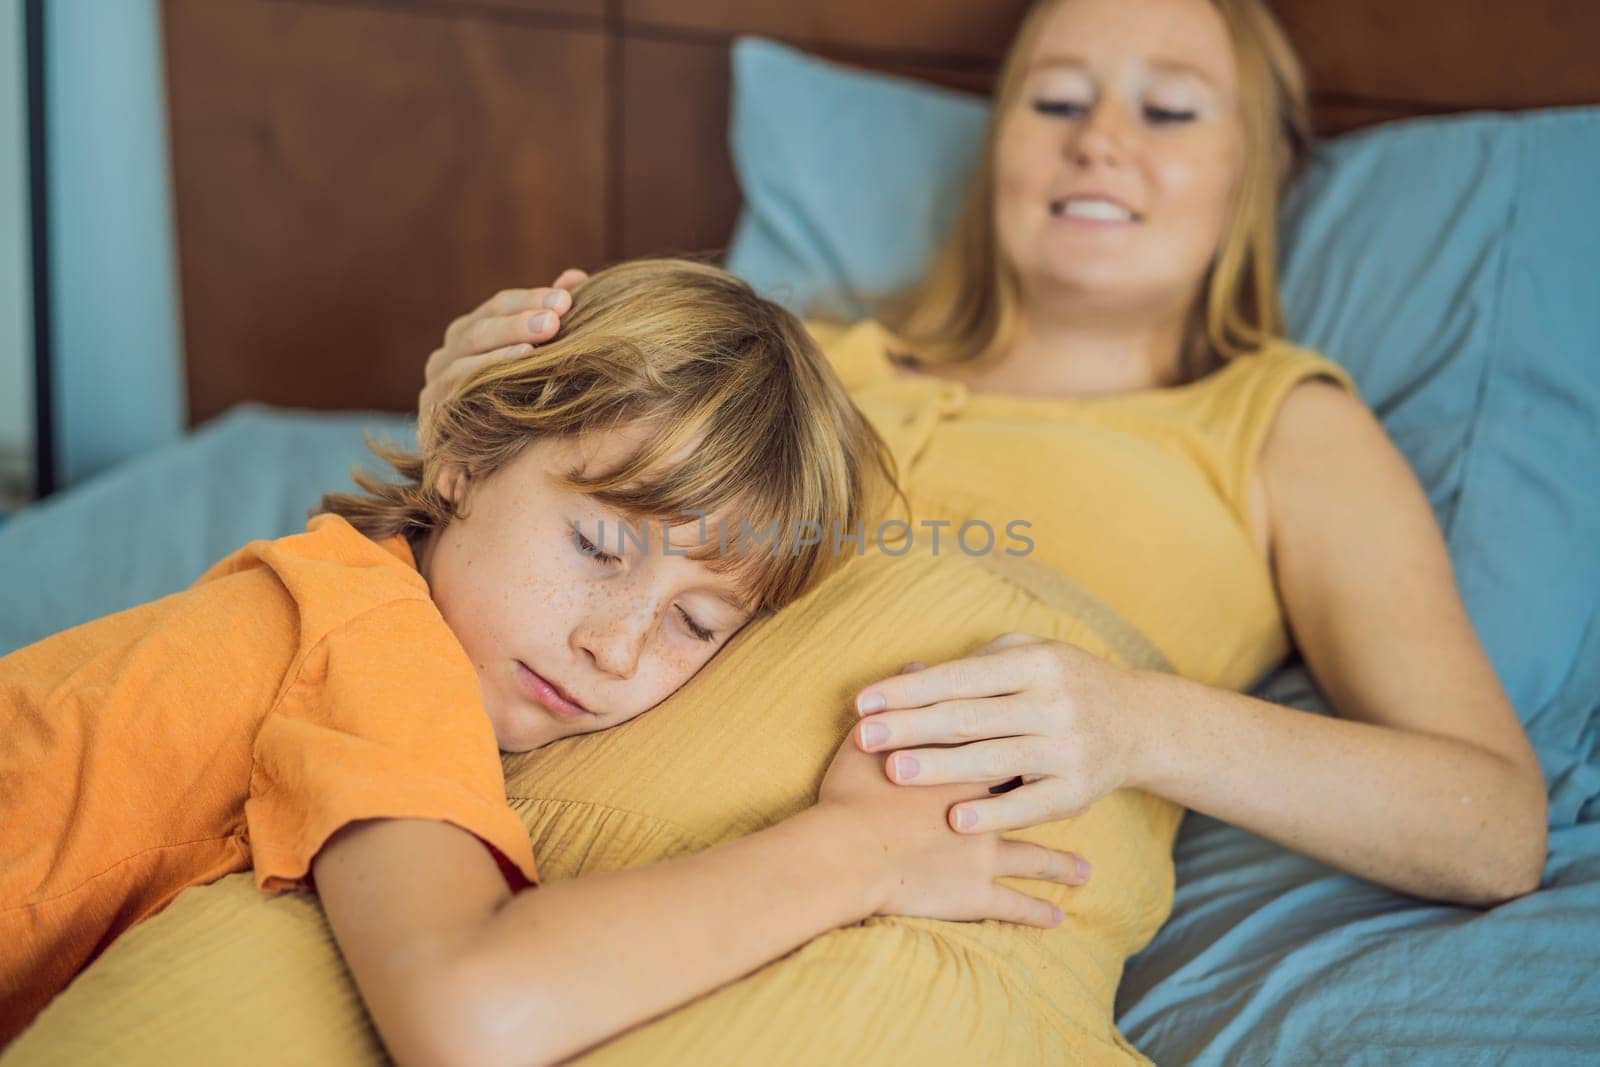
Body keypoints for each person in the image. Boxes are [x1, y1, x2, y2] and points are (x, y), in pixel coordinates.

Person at [424, 0, 1547, 912]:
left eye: (1168, 110)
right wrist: (461, 431)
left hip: (850, 923)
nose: (1099, 139)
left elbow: (1493, 826)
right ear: (998, 143)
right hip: (476, 847)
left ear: (1256, 172)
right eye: (1055, 99)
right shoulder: (804, 365)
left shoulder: (1281, 427)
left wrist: (1140, 722)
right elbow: (543, 555)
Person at [0, 259, 1093, 1060]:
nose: (613, 644)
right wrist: (861, 849)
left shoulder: (353, 605)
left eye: (698, 623)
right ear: (465, 458)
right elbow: (472, 1010)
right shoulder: (378, 643)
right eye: (600, 545)